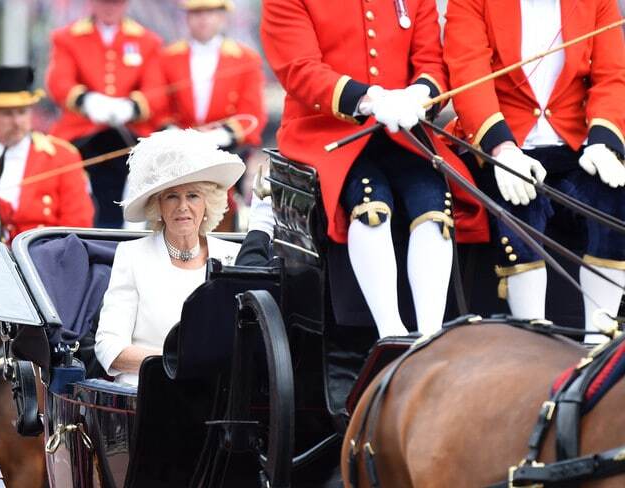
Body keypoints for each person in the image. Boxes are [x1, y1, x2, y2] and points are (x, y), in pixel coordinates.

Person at [260, 1, 489, 338]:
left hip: (401, 132)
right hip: (326, 131)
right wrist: (369, 99)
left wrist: (421, 93)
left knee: (434, 201)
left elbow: (431, 60)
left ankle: (430, 334)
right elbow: (300, 69)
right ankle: (390, 334)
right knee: (371, 202)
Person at [444, 0, 625, 341]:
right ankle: (533, 336)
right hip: (506, 145)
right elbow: (469, 72)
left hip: (574, 147)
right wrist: (502, 149)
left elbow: (612, 76)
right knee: (522, 201)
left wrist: (603, 141)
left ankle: (597, 338)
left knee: (615, 196)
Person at [94, 129, 244, 385]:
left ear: (207, 204)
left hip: (219, 396)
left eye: (193, 196)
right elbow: (110, 349)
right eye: (172, 196)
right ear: (158, 207)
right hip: (147, 391)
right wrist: (179, 360)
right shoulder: (133, 256)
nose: (183, 206)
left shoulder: (232, 256)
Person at [46, 0, 166, 229]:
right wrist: (86, 101)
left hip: (129, 134)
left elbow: (156, 91)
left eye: (116, 2)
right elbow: (59, 81)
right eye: (104, 2)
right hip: (82, 132)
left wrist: (131, 107)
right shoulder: (67, 38)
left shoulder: (147, 41)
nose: (110, 7)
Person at [0, 66, 94, 241]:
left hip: (44, 258)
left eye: (22, 112)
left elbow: (78, 223)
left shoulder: (63, 156)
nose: (17, 122)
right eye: (7, 114)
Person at [158, 0, 267, 231]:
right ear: (187, 17)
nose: (203, 18)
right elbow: (158, 105)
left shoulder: (245, 58)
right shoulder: (168, 57)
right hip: (179, 153)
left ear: (222, 16)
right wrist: (174, 132)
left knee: (221, 210)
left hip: (224, 152)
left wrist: (220, 135)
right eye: (197, 13)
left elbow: (253, 113)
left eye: (210, 12)